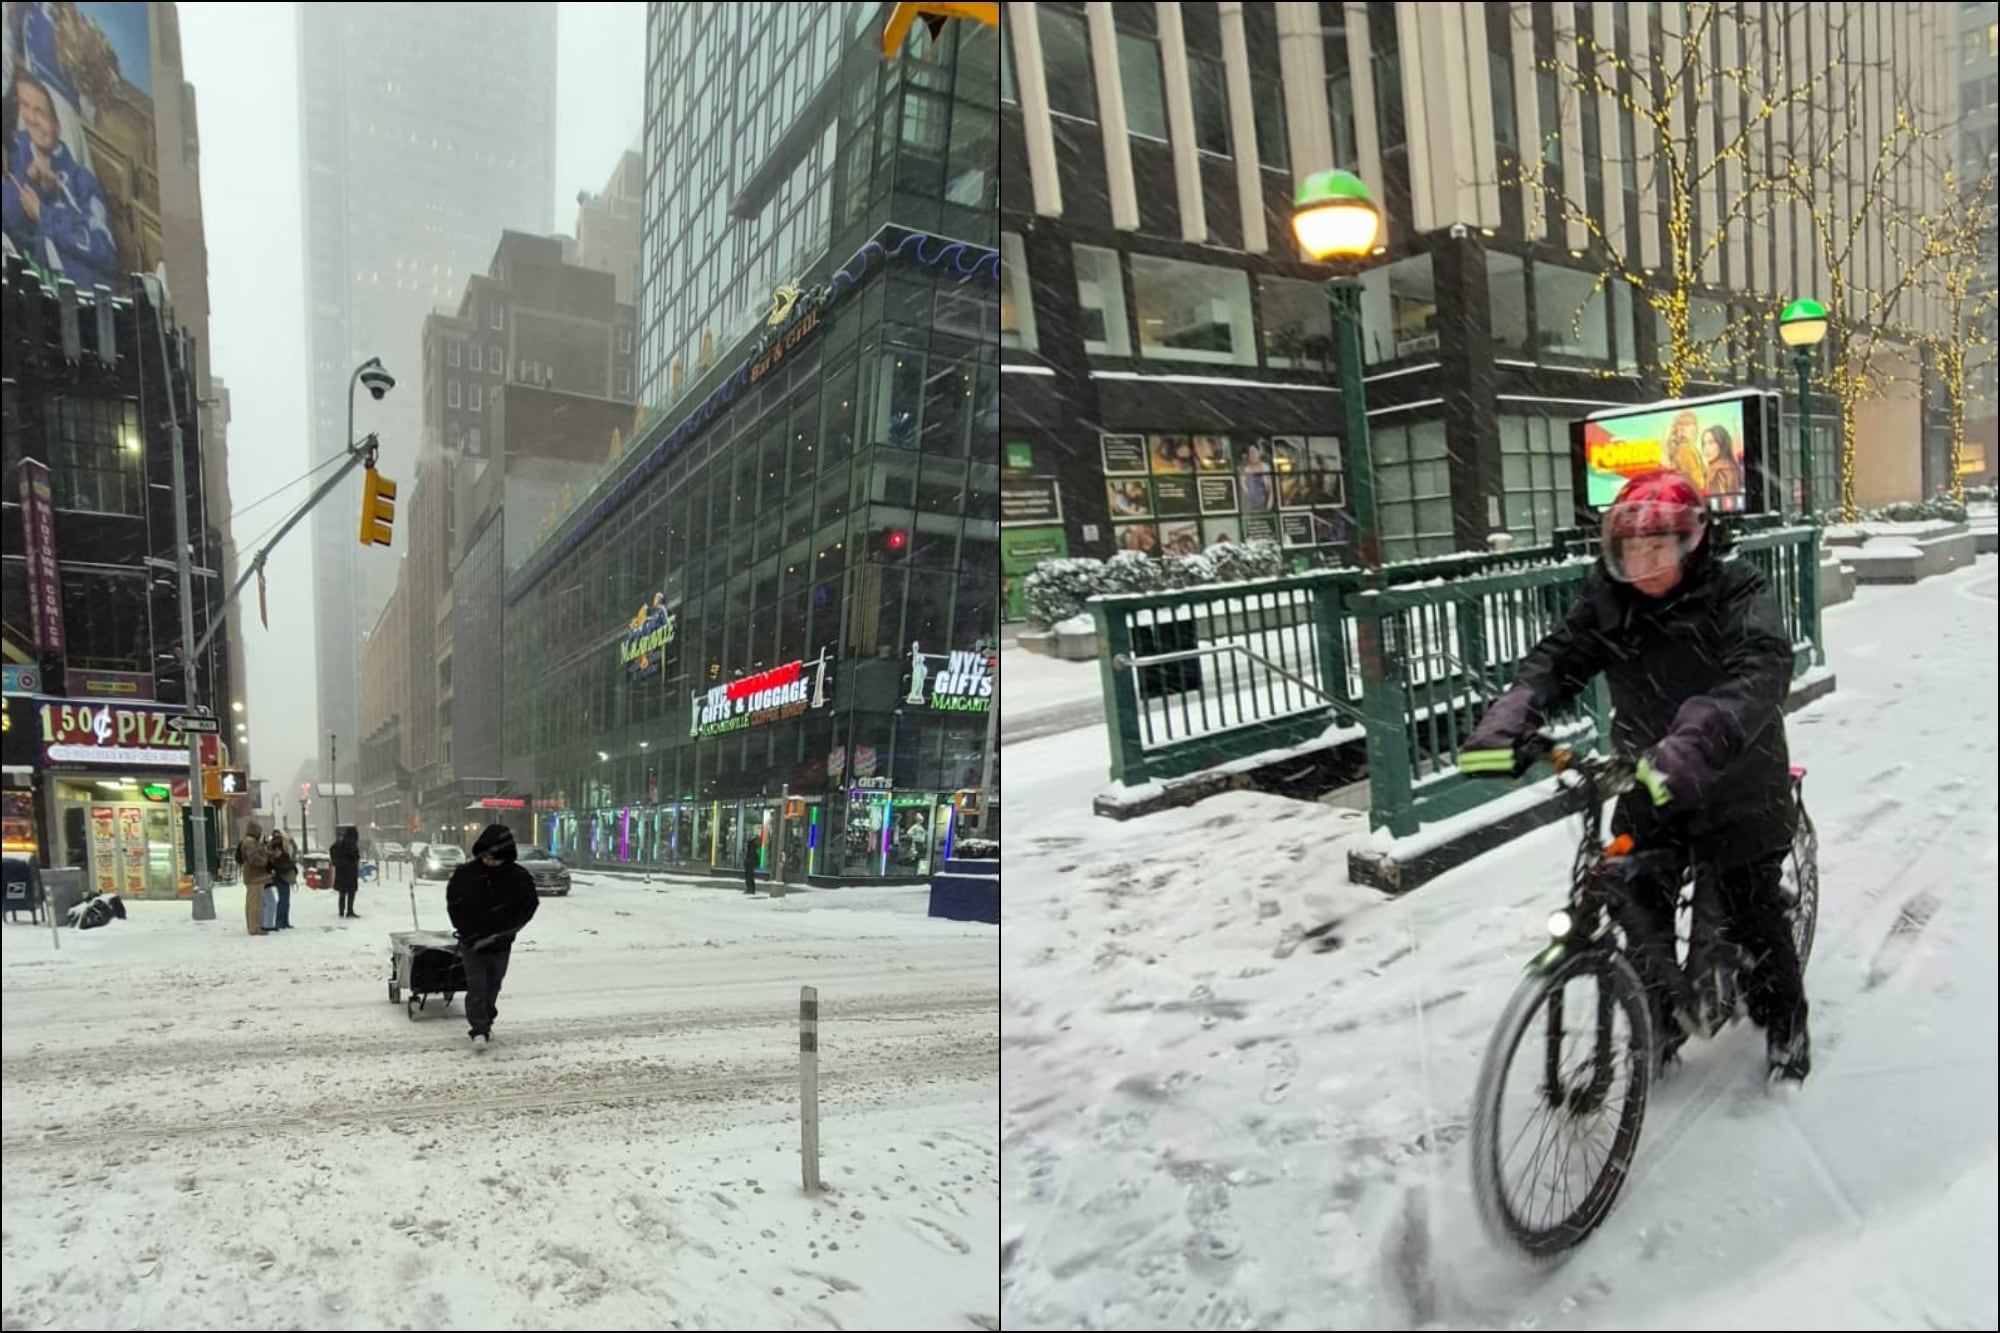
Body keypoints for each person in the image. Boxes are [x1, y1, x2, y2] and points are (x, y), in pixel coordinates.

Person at [1457, 469, 1811, 1083]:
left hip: (1736, 777)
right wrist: (1510, 719)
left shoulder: (1737, 590)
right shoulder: (1608, 603)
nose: (1644, 563)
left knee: (1754, 911)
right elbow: (1556, 660)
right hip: (1649, 776)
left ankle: (1787, 1026)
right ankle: (1661, 1016)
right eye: (1631, 550)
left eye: (1659, 548)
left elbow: (1758, 668)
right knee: (1633, 893)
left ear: (1694, 543)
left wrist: (1695, 737)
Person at [3, 74, 118, 293]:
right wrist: (32, 179)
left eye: (40, 112)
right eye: (25, 106)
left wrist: (44, 215)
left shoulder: (81, 180)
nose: (31, 118)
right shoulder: (13, 155)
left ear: (57, 126)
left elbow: (105, 250)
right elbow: (7, 219)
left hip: (83, 300)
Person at [445, 824, 540, 1045]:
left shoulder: (518, 877)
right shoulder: (466, 874)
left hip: (501, 943)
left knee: (493, 985)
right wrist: (467, 931)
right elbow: (454, 904)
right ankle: (479, 1028)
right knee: (476, 985)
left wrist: (508, 931)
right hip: (472, 942)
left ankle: (487, 1019)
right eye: (487, 857)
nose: (491, 862)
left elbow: (528, 906)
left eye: (496, 859)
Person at [236, 821, 272, 937]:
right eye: (259, 831)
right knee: (255, 904)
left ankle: (252, 926)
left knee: (251, 903)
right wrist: (265, 861)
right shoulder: (250, 842)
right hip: (255, 877)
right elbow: (254, 858)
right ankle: (255, 927)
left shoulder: (248, 841)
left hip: (252, 877)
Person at [265, 830, 296, 933]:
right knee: (284, 899)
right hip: (282, 876)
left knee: (284, 899)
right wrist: (292, 867)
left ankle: (283, 921)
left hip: (279, 876)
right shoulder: (280, 849)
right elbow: (283, 863)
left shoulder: (273, 848)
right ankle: (281, 921)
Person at [331, 825, 362, 919]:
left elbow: (332, 850)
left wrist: (336, 862)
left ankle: (341, 911)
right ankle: (349, 910)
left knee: (342, 893)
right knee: (351, 892)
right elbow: (355, 857)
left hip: (341, 872)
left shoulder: (339, 843)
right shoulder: (352, 845)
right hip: (350, 872)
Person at [743, 830, 760, 895]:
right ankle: (751, 889)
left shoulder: (751, 846)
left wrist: (747, 861)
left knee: (749, 876)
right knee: (750, 876)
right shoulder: (754, 846)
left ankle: (750, 889)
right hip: (751, 862)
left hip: (750, 862)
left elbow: (751, 854)